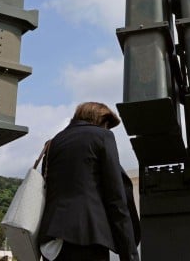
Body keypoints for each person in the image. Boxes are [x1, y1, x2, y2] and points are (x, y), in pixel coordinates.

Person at [38, 102, 140, 261]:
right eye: (107, 126)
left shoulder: (54, 142)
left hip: (53, 243)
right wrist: (130, 254)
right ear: (102, 121)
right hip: (87, 236)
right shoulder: (102, 136)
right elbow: (116, 198)